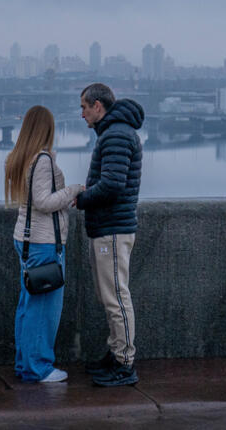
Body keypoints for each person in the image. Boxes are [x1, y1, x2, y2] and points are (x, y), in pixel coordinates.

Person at [4, 105, 84, 383]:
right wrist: (73, 190)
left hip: (26, 240)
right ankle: (39, 368)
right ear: (47, 129)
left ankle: (26, 365)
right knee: (43, 309)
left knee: (28, 306)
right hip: (43, 243)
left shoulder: (23, 157)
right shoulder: (42, 160)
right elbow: (43, 202)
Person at [74, 83, 144, 387]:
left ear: (98, 106)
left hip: (112, 230)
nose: (82, 114)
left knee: (116, 297)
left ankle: (125, 364)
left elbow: (113, 185)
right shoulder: (116, 132)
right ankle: (116, 354)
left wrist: (83, 198)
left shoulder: (115, 134)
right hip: (110, 227)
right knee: (111, 296)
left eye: (84, 108)